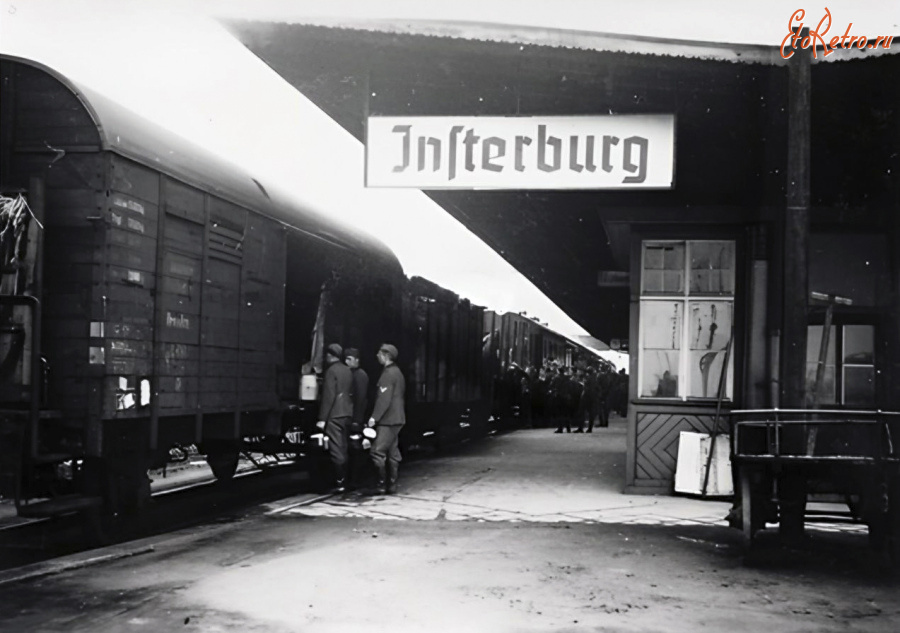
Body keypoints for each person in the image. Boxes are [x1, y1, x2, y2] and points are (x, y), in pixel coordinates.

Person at [367, 343, 406, 495]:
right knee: (392, 452)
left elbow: (384, 399)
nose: (377, 356)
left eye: (379, 354)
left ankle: (381, 485)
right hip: (397, 419)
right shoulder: (398, 372)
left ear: (386, 355)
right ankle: (392, 485)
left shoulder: (388, 374)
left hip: (388, 420)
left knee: (377, 452)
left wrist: (374, 418)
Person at [317, 342, 353, 492]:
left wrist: (322, 419)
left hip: (335, 414)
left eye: (327, 355)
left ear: (331, 356)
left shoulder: (331, 371)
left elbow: (329, 396)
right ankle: (347, 479)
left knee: (336, 449)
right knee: (343, 447)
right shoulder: (348, 370)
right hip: (347, 412)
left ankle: (340, 482)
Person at [344, 347, 369, 490]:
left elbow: (360, 399)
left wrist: (357, 420)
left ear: (357, 360)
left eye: (349, 359)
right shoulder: (351, 374)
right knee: (351, 450)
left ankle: (354, 480)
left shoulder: (360, 376)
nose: (346, 362)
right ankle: (352, 479)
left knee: (355, 450)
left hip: (355, 418)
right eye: (345, 359)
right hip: (351, 417)